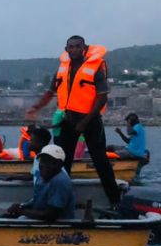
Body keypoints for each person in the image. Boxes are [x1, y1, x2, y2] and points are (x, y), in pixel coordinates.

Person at [26, 35, 120, 205]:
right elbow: (50, 92)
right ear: (66, 49)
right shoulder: (62, 68)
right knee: (61, 161)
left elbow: (102, 98)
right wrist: (36, 107)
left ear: (84, 48)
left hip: (91, 121)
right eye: (71, 47)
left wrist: (84, 122)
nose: (75, 49)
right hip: (69, 120)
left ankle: (115, 201)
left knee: (100, 161)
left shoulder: (96, 67)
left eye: (78, 46)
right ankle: (59, 200)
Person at [5, 145, 75, 221]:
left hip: (57, 227)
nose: (45, 165)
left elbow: (51, 215)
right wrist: (21, 206)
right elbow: (37, 201)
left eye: (50, 162)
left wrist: (22, 212)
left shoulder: (60, 181)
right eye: (43, 161)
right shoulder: (43, 177)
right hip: (40, 221)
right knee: (5, 217)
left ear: (60, 165)